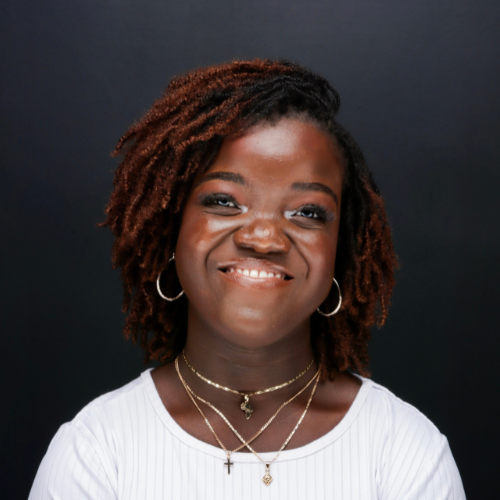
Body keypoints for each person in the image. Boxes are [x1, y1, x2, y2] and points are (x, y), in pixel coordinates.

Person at [28, 59, 466, 499]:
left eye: (308, 212)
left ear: (341, 250)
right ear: (172, 228)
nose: (264, 237)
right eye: (224, 201)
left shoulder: (405, 454)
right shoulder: (96, 452)